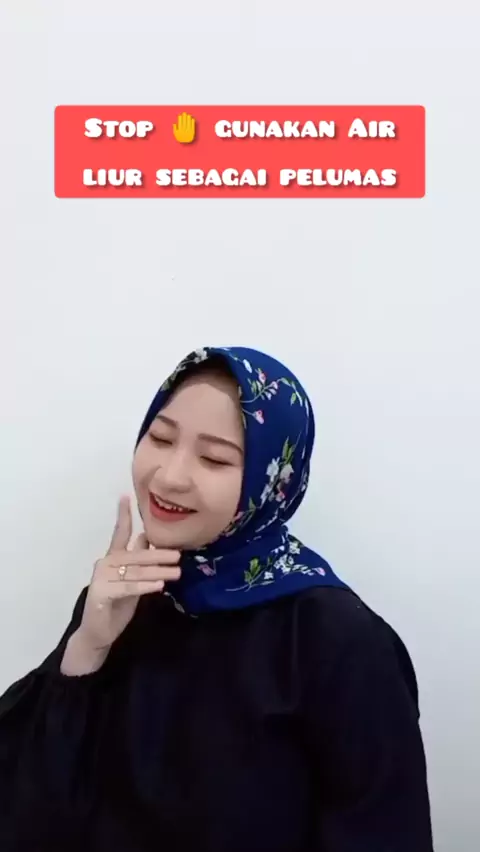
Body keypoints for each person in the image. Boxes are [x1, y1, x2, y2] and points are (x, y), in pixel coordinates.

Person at [0, 345, 434, 852]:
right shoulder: (124, 600)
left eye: (213, 458)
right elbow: (29, 813)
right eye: (161, 438)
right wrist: (85, 651)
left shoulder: (338, 645)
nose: (169, 477)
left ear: (271, 481)